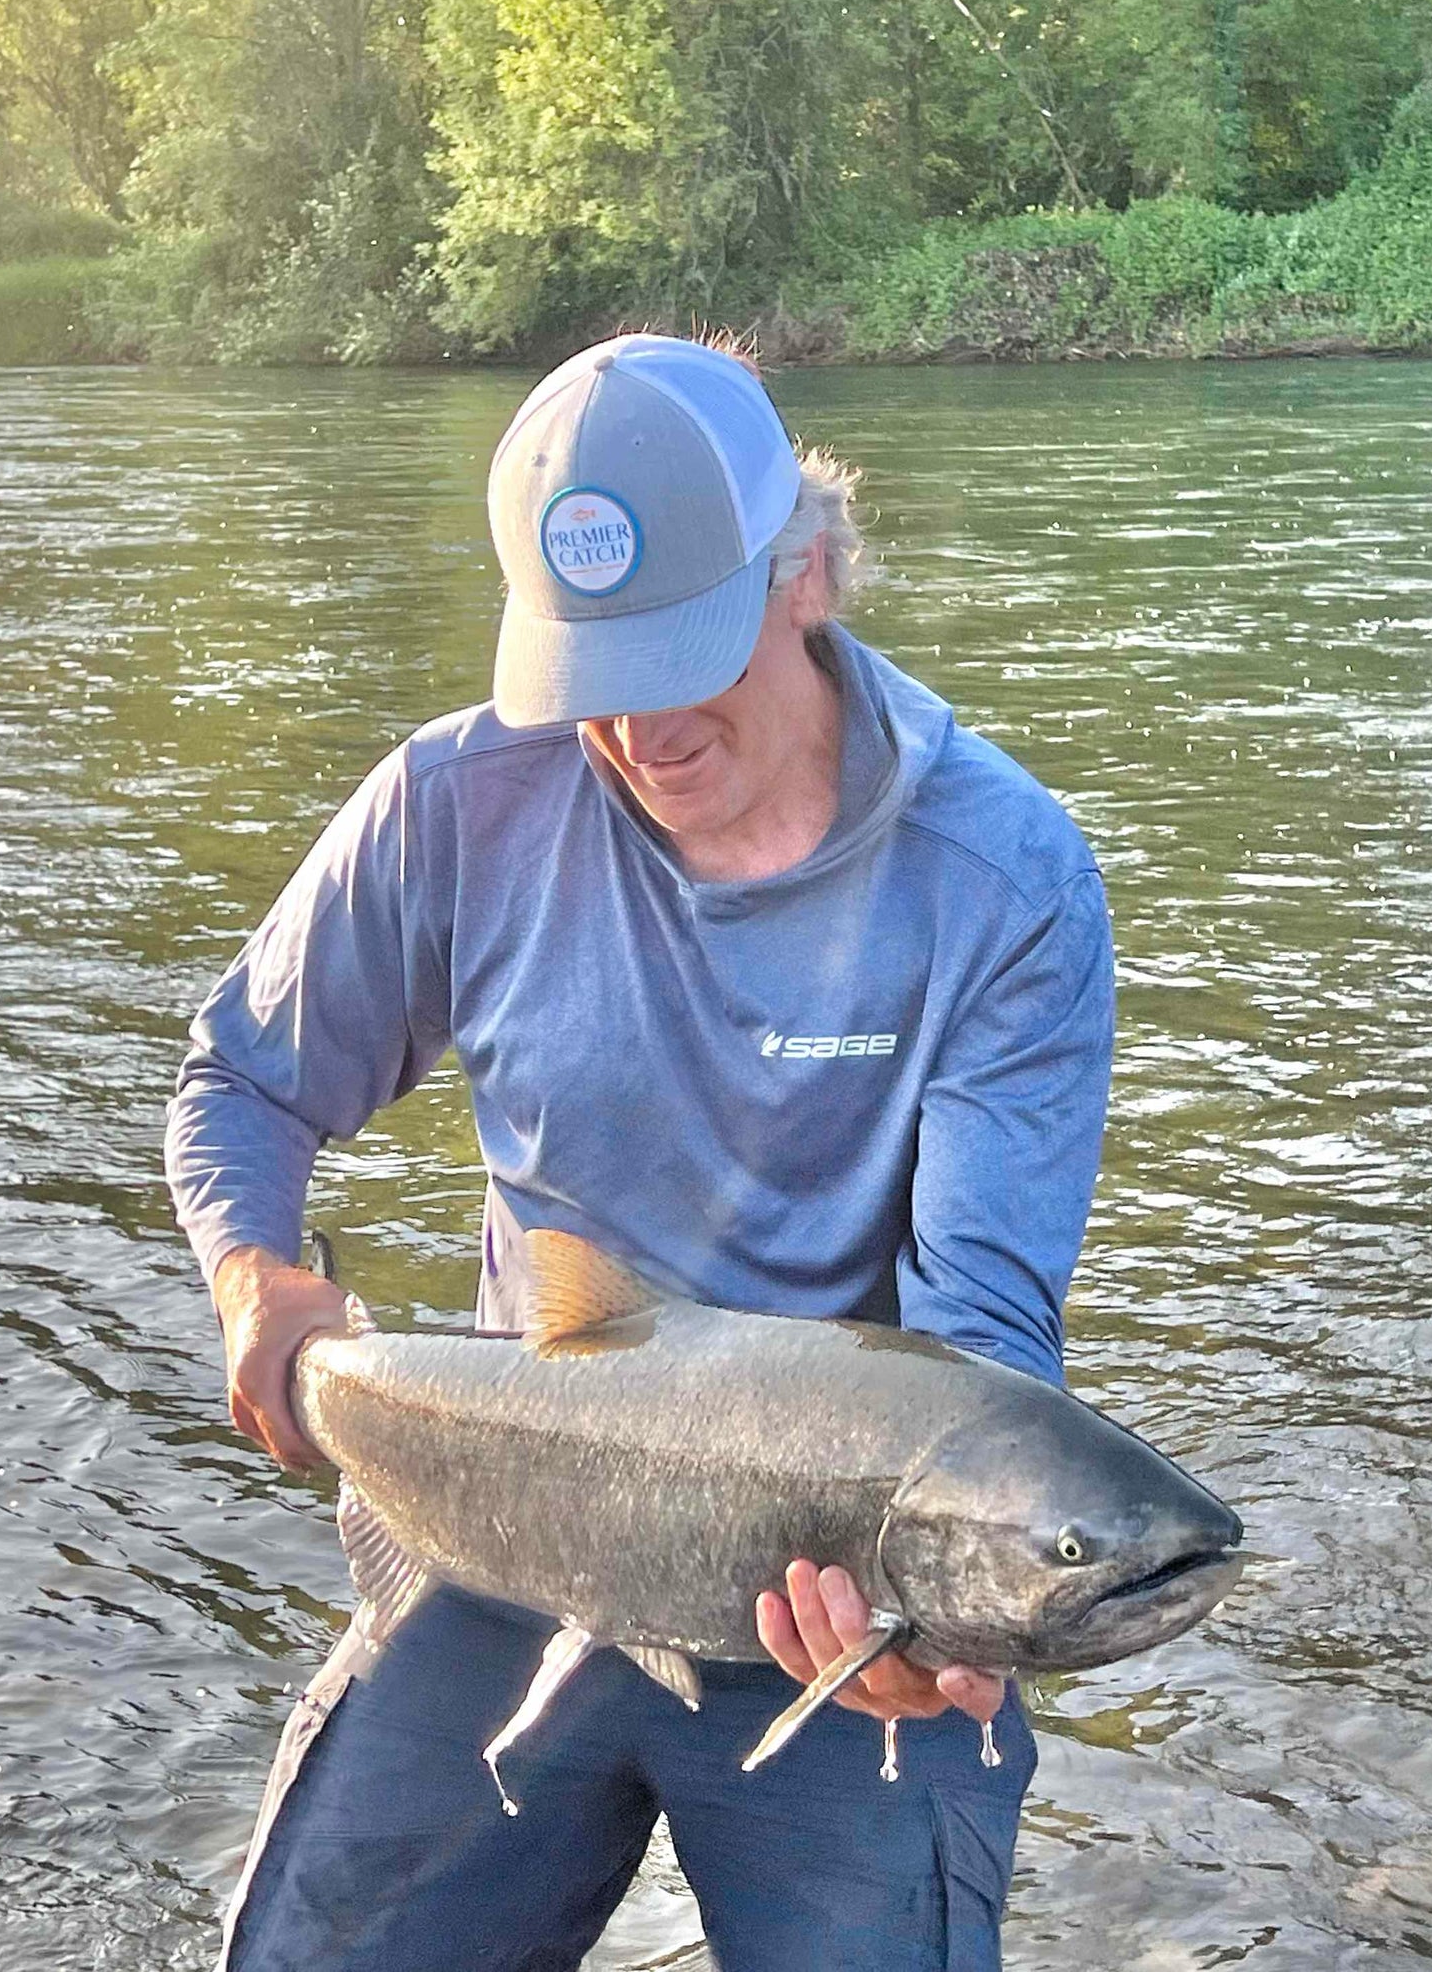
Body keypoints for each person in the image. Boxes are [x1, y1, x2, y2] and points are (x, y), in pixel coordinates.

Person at [166, 332, 1116, 1972]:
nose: (643, 731)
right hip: (505, 1527)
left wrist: (942, 1610)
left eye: (686, 653)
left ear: (806, 573)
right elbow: (240, 1085)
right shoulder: (459, 805)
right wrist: (259, 1281)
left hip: (826, 1573)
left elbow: (981, 1344)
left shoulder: (1004, 881)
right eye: (593, 676)